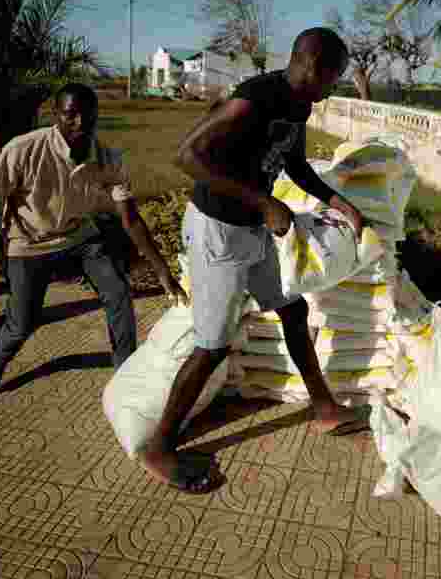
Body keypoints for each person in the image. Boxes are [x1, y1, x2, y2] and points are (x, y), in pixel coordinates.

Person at [138, 27, 371, 493]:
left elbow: (295, 164)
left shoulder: (299, 105)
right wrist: (264, 203)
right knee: (214, 344)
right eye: (334, 77)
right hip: (217, 229)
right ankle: (159, 445)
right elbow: (186, 157)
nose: (333, 88)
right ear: (311, 66)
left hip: (252, 226)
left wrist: (337, 201)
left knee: (293, 306)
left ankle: (323, 408)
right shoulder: (255, 97)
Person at [0, 83, 186, 392]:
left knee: (118, 291)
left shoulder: (108, 159)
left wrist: (162, 272)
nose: (80, 123)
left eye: (87, 116)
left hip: (80, 236)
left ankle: (126, 371)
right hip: (28, 242)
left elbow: (130, 218)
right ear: (55, 115)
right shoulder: (23, 149)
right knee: (23, 322)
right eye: (70, 116)